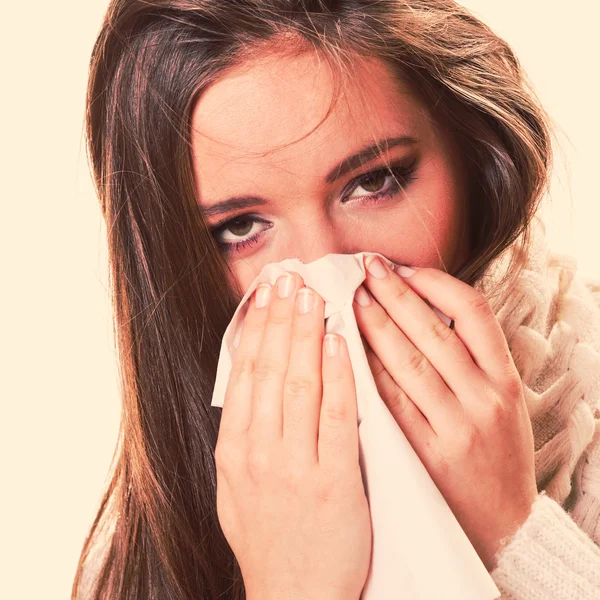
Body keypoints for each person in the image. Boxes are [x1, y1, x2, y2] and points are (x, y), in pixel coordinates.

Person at [72, 1, 600, 599]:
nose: (327, 269)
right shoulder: (146, 548)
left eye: (374, 182)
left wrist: (515, 535)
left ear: (473, 157)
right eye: (241, 227)